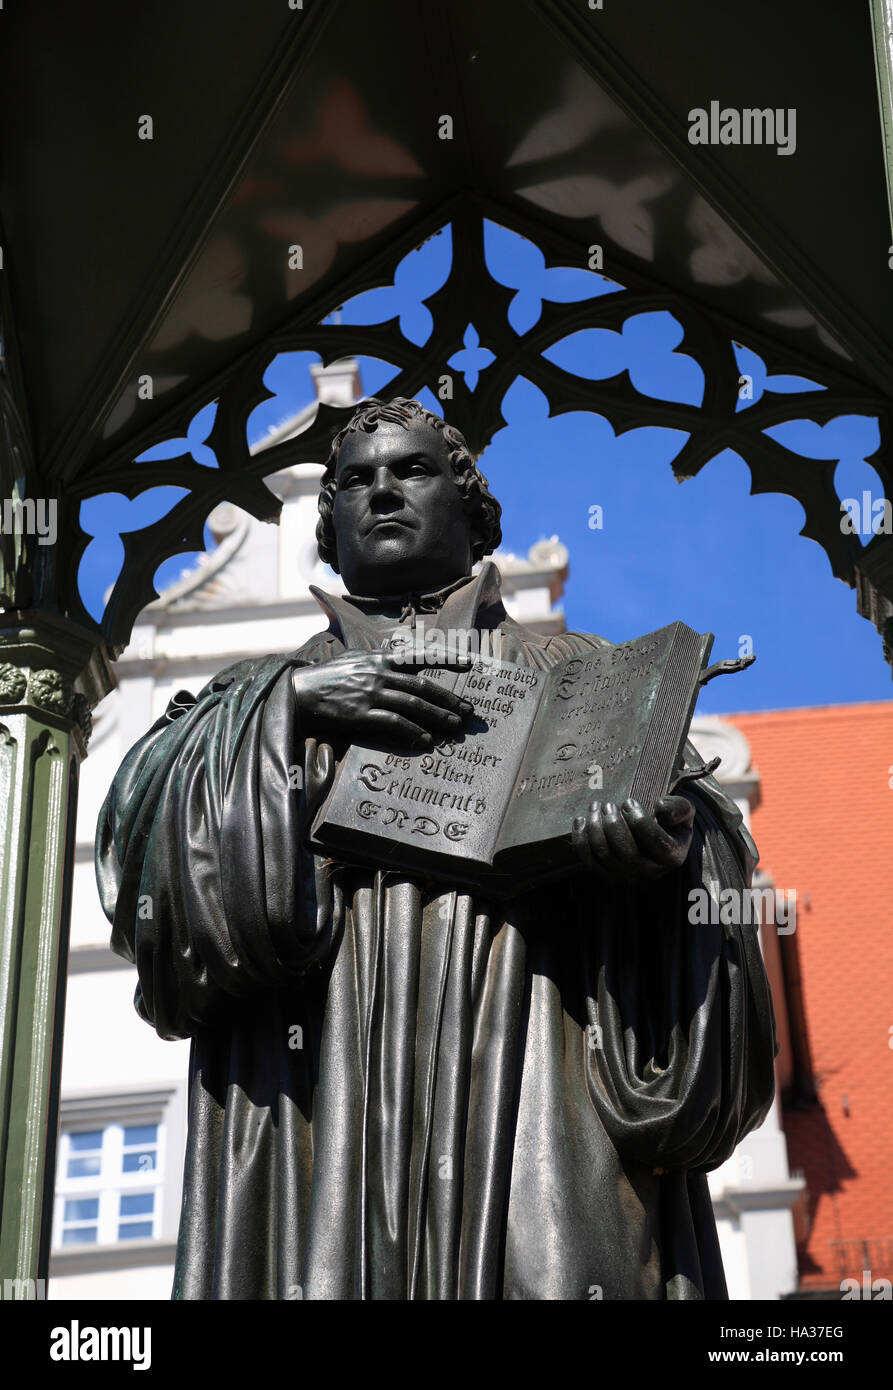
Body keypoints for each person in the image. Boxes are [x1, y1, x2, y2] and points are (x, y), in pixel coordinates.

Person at [96, 396, 776, 1300]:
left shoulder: (589, 683)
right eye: (353, 481)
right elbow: (137, 852)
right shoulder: (247, 698)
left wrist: (661, 863)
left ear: (473, 508)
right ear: (328, 525)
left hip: (534, 1049)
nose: (380, 492)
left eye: (410, 470)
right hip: (318, 1073)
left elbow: (714, 867)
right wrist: (288, 707)